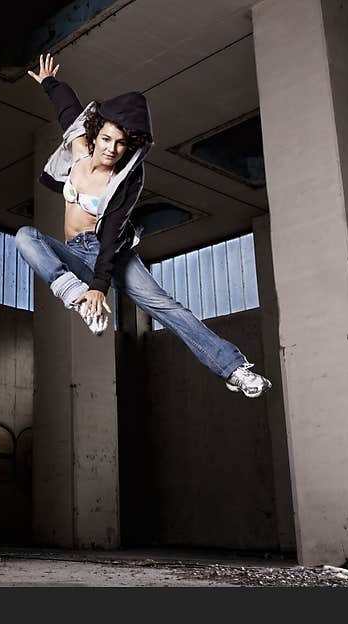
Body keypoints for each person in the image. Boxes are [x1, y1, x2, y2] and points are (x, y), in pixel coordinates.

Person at [17, 54, 271, 398]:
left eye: (121, 144)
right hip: (74, 252)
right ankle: (77, 299)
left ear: (129, 146)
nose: (112, 149)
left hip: (109, 252)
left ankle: (233, 369)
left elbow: (108, 238)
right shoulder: (78, 149)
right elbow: (68, 109)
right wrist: (50, 82)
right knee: (25, 237)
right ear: (96, 134)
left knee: (166, 307)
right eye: (107, 140)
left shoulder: (124, 181)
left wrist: (99, 287)